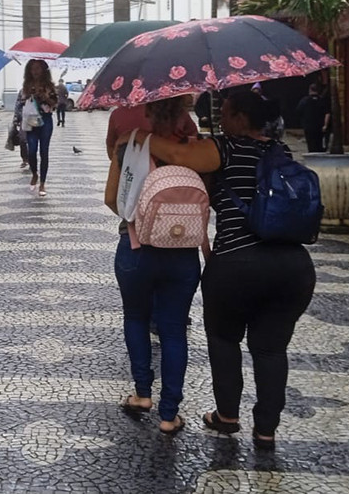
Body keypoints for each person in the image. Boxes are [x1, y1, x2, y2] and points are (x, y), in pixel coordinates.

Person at [122, 91, 316, 449]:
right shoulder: (280, 152)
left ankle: (227, 415)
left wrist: (140, 138)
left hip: (238, 261)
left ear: (242, 119)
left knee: (225, 340)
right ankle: (266, 430)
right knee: (271, 350)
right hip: (293, 266)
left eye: (226, 113)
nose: (221, 118)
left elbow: (179, 155)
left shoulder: (224, 148)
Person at [104, 96, 201, 435]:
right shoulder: (194, 148)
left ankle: (142, 393)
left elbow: (111, 197)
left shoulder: (126, 144)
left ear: (146, 111)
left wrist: (140, 217)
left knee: (135, 317)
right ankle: (169, 413)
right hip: (183, 252)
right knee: (174, 330)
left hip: (135, 247)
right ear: (182, 115)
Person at [15, 59, 57, 197]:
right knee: (31, 150)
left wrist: (45, 96)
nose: (35, 71)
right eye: (33, 69)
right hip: (31, 121)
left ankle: (43, 183)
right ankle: (34, 173)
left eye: (38, 68)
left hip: (45, 120)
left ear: (43, 70)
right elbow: (21, 102)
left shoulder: (49, 86)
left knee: (44, 151)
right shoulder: (27, 85)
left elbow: (54, 104)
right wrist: (28, 96)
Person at [296, 83, 328, 152]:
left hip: (308, 126)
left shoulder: (304, 100)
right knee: (319, 144)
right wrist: (325, 125)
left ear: (310, 90)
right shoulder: (322, 100)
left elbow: (299, 111)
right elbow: (327, 113)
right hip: (320, 126)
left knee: (311, 144)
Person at [12, 88, 29, 169]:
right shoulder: (22, 91)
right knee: (22, 139)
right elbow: (17, 104)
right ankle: (25, 159)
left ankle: (32, 159)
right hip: (23, 118)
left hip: (35, 119)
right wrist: (15, 118)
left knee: (32, 141)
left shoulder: (37, 90)